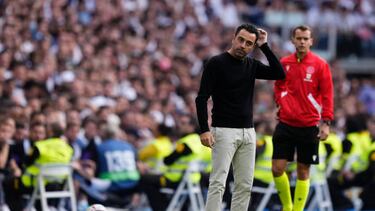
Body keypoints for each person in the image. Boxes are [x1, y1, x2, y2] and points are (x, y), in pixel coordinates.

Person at [195, 23, 285, 211]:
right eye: (241, 40)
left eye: (249, 43)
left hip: (248, 132)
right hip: (224, 131)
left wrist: (265, 46)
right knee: (218, 183)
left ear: (253, 47)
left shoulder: (251, 65)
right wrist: (204, 129)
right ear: (234, 38)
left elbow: (279, 73)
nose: (243, 45)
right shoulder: (216, 63)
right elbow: (202, 98)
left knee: (244, 185)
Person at [271, 25, 334, 211]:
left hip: (309, 125)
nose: (302, 42)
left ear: (311, 41)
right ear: (292, 40)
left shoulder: (320, 64)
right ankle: (287, 206)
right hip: (286, 123)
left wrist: (326, 122)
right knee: (277, 168)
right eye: (299, 38)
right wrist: (280, 102)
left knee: (303, 170)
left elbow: (328, 94)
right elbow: (278, 86)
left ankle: (296, 210)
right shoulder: (284, 63)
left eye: (306, 38)